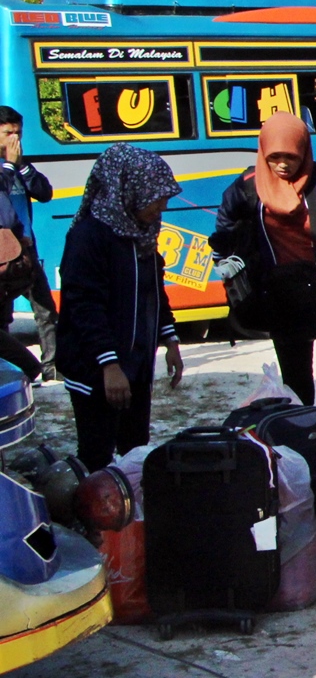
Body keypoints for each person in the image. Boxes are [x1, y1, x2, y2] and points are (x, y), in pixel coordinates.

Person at [210, 113, 316, 460]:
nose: (283, 165)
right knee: (297, 390)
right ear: (263, 153)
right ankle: (305, 462)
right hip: (283, 299)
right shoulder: (245, 189)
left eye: (291, 156)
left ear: (304, 150)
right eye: (275, 158)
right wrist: (231, 254)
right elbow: (223, 230)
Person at [56, 144, 184, 472]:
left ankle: (130, 520)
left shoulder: (141, 233)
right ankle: (97, 521)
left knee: (134, 453)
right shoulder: (90, 237)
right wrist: (108, 365)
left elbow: (155, 289)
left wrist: (170, 341)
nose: (161, 208)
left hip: (135, 365)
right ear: (129, 190)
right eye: (156, 197)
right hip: (97, 370)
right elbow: (83, 305)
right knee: (97, 456)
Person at [0, 106, 57, 387]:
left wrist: (21, 165)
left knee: (45, 309)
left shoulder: (20, 164)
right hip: (3, 255)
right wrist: (9, 165)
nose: (15, 138)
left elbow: (45, 193)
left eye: (18, 133)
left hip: (27, 250)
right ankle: (14, 371)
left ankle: (52, 369)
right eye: (8, 133)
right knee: (3, 316)